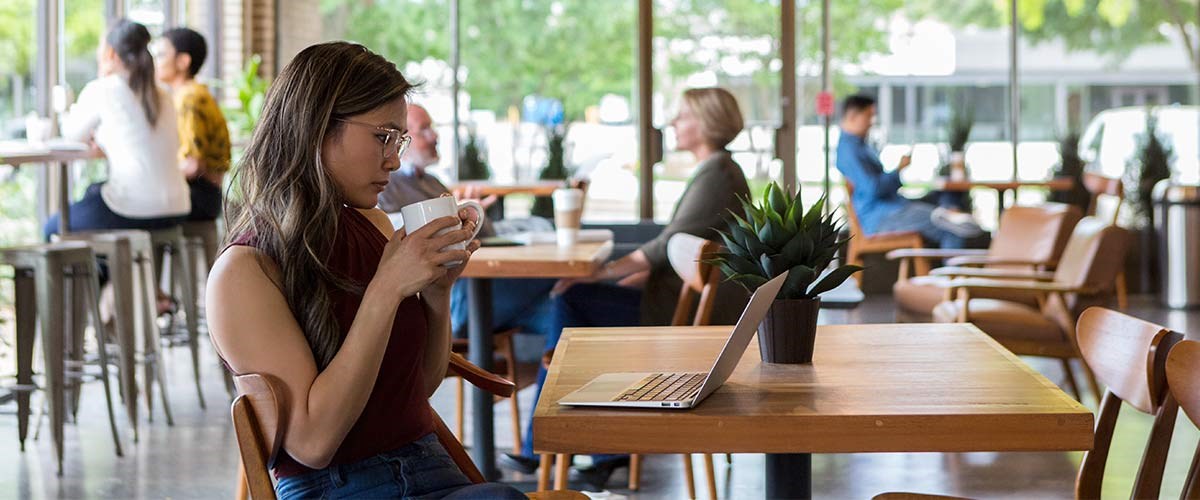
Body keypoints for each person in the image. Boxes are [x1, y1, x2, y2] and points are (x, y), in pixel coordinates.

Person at [205, 41, 522, 500]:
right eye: (382, 137)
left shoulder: (371, 225)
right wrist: (385, 291)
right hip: (339, 487)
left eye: (400, 141)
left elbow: (418, 387)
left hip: (434, 469)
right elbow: (313, 443)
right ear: (317, 126)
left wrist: (436, 294)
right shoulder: (245, 270)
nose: (394, 159)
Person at [499, 88, 753, 487]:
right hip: (676, 302)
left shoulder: (718, 172)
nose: (673, 122)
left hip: (677, 316)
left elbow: (664, 244)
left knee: (573, 297)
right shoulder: (718, 169)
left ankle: (552, 446)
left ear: (706, 122)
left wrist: (602, 273)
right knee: (576, 304)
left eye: (683, 115)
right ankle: (585, 449)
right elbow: (673, 247)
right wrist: (630, 274)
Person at [376, 102, 557, 350]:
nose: (434, 135)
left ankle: (544, 386)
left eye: (433, 128)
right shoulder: (385, 186)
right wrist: (456, 214)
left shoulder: (431, 182)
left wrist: (470, 214)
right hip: (457, 299)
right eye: (424, 129)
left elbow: (480, 232)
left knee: (561, 310)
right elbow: (390, 229)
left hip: (470, 292)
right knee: (556, 276)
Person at [45, 19, 189, 239]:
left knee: (52, 227)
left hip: (134, 208)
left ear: (111, 53)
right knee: (94, 191)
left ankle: (101, 273)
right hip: (178, 206)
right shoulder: (164, 94)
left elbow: (72, 135)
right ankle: (108, 271)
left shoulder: (104, 88)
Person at [835, 94, 981, 248]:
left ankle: (948, 213)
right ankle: (947, 225)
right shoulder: (849, 150)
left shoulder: (860, 146)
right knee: (948, 226)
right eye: (868, 116)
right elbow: (873, 189)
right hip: (880, 216)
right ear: (852, 115)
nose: (872, 122)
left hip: (894, 206)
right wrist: (898, 169)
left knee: (944, 198)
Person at [154, 26, 231, 223]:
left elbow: (193, 165)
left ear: (183, 61)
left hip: (199, 196)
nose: (155, 62)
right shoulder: (197, 93)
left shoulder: (188, 98)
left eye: (161, 55)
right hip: (210, 195)